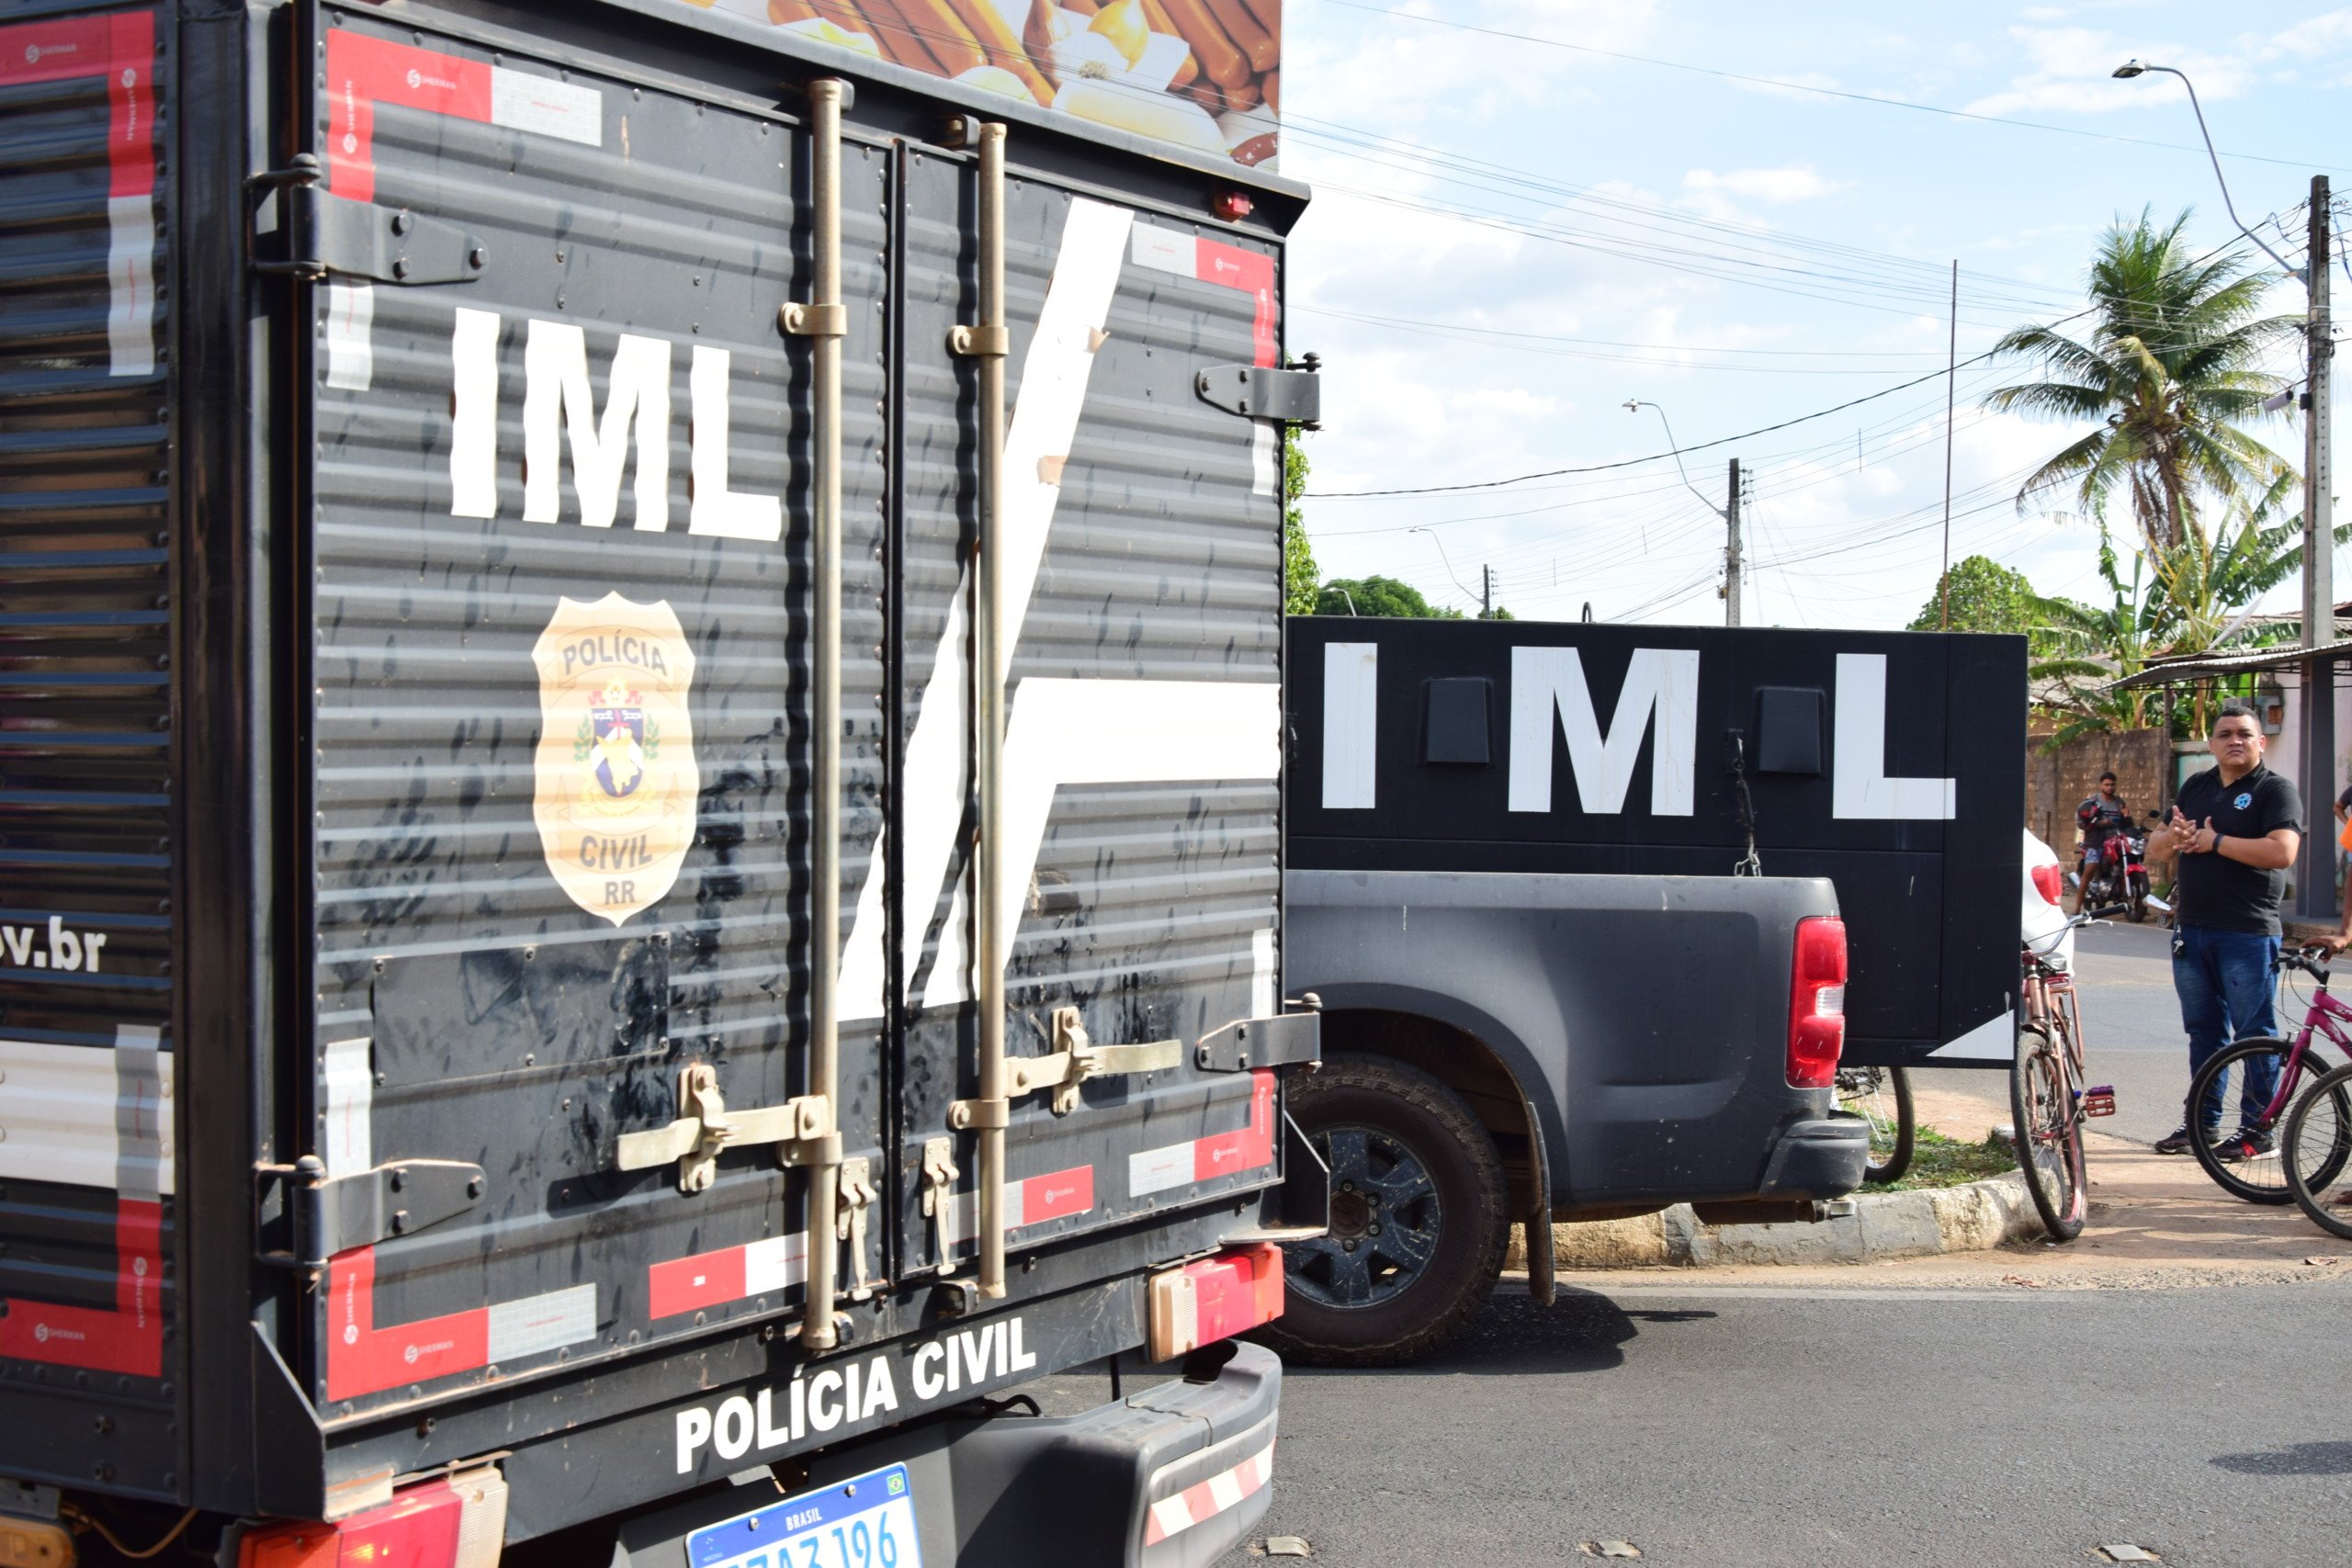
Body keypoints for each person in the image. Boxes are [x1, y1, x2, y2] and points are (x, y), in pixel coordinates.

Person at [2150, 702, 2302, 1160]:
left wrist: (2215, 841)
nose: (2234, 740)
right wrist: (2177, 839)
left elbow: (2282, 852)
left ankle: (2259, 1129)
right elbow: (2157, 848)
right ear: (2211, 744)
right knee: (2204, 1033)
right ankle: (2202, 1122)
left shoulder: (2275, 791)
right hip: (2192, 930)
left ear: (2261, 741)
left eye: (2243, 733)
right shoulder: (2196, 786)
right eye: (2224, 734)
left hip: (2247, 933)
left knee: (2254, 1032)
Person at [2075, 771, 2131, 898]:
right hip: (2096, 840)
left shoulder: (2119, 802)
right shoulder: (2092, 801)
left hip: (2115, 839)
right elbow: (2081, 822)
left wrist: (2127, 817)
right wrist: (2100, 824)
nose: (2110, 787)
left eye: (2112, 784)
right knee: (2090, 869)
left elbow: (2127, 823)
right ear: (2101, 785)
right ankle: (2077, 907)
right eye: (2106, 784)